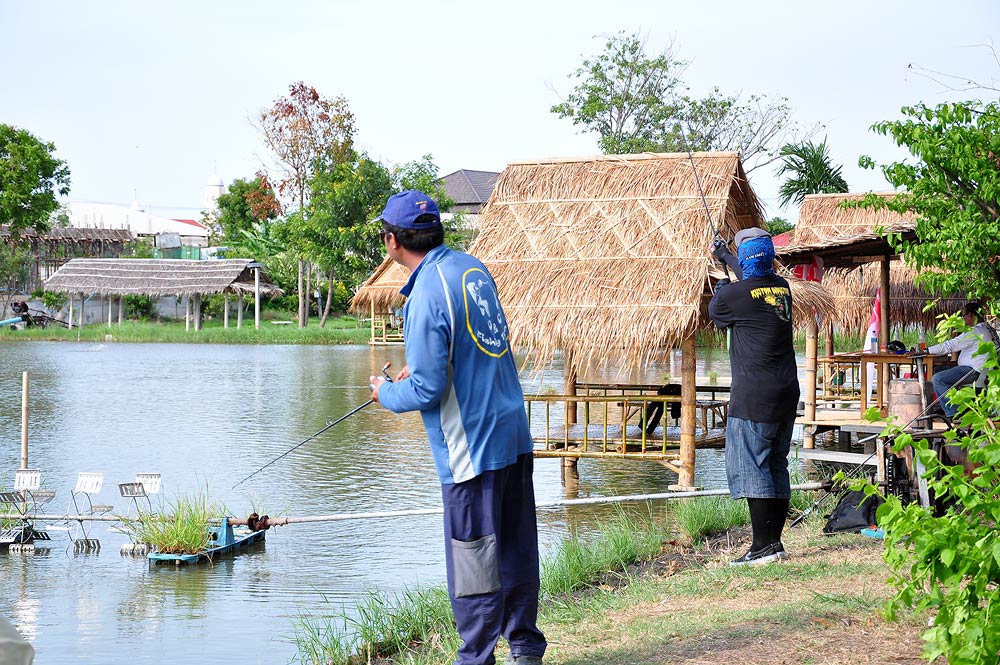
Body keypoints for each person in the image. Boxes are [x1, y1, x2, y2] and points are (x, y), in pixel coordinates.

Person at [368, 190, 546, 665]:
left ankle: (476, 658)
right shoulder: (472, 268)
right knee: (514, 549)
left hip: (471, 448)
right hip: (512, 433)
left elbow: (425, 393)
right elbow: (476, 346)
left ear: (392, 241)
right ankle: (525, 649)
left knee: (474, 564)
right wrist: (422, 370)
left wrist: (384, 393)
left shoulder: (423, 292)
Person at [708, 227, 798, 566]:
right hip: (787, 392)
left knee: (752, 467)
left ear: (745, 260)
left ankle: (761, 546)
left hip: (754, 397)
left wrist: (721, 283)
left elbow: (716, 313)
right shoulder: (782, 289)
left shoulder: (732, 297)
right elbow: (754, 277)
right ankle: (774, 544)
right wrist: (726, 257)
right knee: (776, 463)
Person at [927, 301, 998, 420]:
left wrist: (926, 350)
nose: (963, 319)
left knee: (938, 379)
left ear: (971, 315)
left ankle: (954, 413)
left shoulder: (975, 331)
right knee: (937, 369)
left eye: (964, 316)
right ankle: (947, 403)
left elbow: (950, 346)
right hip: (983, 370)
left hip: (973, 371)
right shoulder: (988, 329)